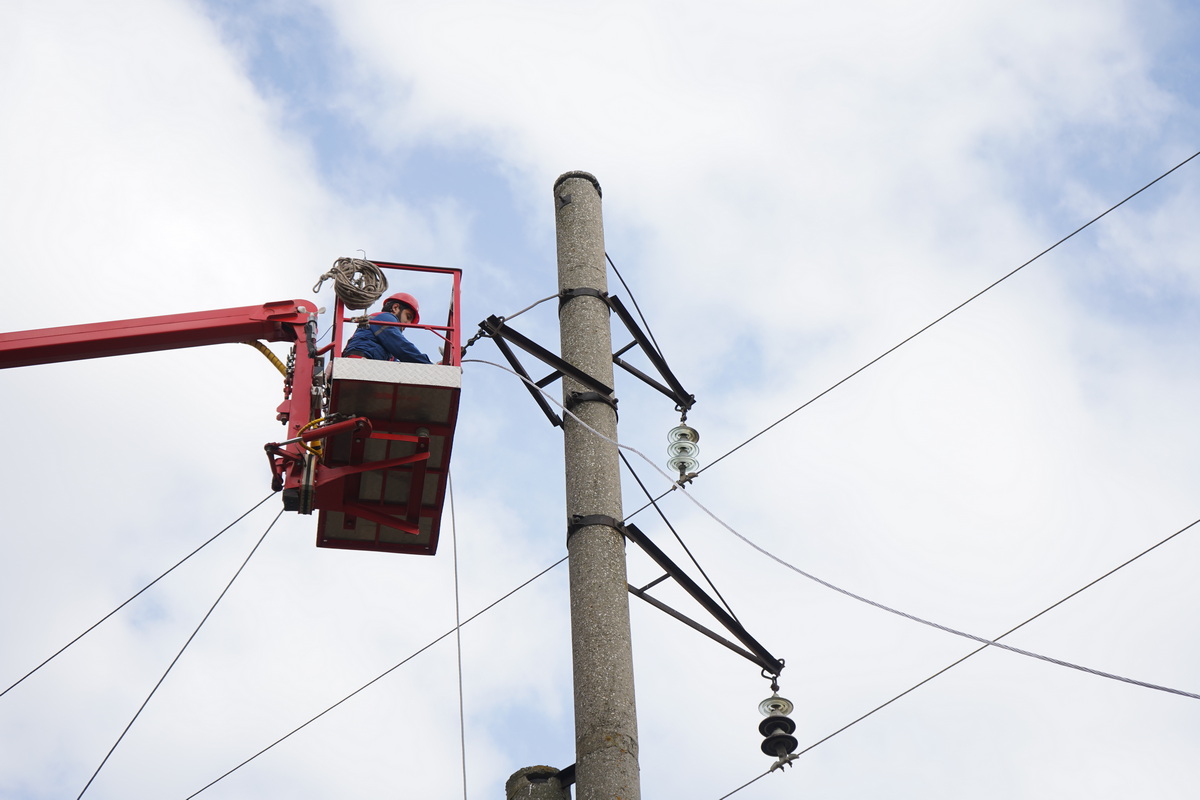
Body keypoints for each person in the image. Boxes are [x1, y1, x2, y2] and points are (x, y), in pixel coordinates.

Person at [343, 292, 433, 364]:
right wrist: (430, 366)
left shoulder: (387, 346)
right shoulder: (385, 318)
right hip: (360, 362)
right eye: (408, 316)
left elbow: (398, 363)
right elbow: (402, 348)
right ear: (395, 308)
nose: (408, 324)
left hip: (367, 364)